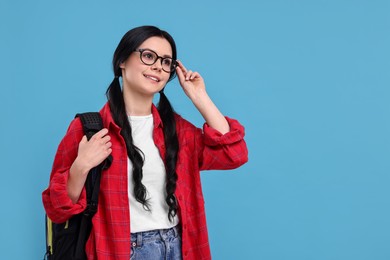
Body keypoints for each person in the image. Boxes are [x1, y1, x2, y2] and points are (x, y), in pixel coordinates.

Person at [42, 25, 248, 260]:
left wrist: (198, 96)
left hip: (179, 247)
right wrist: (81, 166)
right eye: (148, 56)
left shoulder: (177, 131)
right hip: (123, 250)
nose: (159, 66)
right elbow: (58, 209)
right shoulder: (89, 130)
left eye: (166, 61)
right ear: (122, 61)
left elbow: (234, 154)